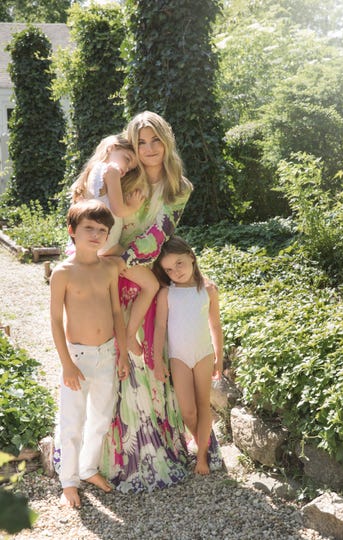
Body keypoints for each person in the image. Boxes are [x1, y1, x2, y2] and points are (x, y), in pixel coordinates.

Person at [100, 111, 195, 492]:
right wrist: (107, 259)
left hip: (142, 274)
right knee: (115, 365)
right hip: (111, 276)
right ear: (133, 146)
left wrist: (123, 259)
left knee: (146, 364)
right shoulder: (126, 177)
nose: (150, 149)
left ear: (166, 141)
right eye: (142, 142)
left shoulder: (180, 188)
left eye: (156, 140)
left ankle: (156, 448)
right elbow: (104, 220)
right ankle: (111, 456)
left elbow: (160, 234)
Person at [50, 199, 129, 508]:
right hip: (78, 358)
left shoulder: (109, 267)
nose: (96, 234)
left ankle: (88, 468)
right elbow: (56, 320)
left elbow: (116, 311)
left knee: (100, 417)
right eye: (88, 228)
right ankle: (68, 481)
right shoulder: (63, 272)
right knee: (72, 420)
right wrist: (67, 364)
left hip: (108, 353)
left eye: (102, 229)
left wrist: (122, 354)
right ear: (72, 231)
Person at [70, 134, 160, 355]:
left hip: (98, 245)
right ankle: (129, 335)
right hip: (109, 245)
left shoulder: (93, 172)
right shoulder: (110, 170)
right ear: (111, 148)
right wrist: (133, 205)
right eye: (128, 159)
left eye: (131, 166)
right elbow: (118, 210)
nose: (128, 168)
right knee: (151, 285)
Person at [153, 236, 223, 475]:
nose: (176, 271)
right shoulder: (166, 294)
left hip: (203, 354)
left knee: (204, 405)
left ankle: (202, 457)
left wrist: (219, 357)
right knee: (188, 411)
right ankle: (204, 440)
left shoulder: (208, 289)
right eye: (169, 269)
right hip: (178, 357)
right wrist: (157, 359)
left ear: (191, 257)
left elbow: (215, 326)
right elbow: (160, 328)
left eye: (180, 263)